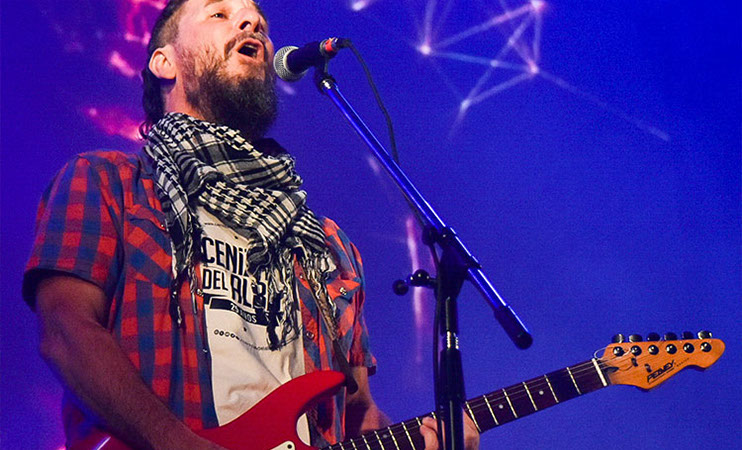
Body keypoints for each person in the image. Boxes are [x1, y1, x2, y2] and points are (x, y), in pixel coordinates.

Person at [23, 0, 479, 448]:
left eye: (258, 19)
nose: (251, 22)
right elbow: (66, 331)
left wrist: (431, 443)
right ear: (164, 62)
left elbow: (356, 414)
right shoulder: (108, 184)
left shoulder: (327, 246)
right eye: (219, 13)